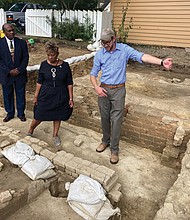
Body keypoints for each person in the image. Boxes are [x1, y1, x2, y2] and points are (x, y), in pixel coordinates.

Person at [90, 28, 172, 164]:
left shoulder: (124, 50)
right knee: (104, 117)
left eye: (107, 42)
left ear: (113, 38)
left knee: (116, 121)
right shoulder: (100, 54)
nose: (105, 45)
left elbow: (142, 56)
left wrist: (161, 62)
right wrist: (96, 87)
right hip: (103, 90)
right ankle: (105, 141)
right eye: (102, 42)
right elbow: (93, 74)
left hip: (119, 90)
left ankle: (114, 150)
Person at [27, 41, 74, 148]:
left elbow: (69, 83)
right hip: (46, 94)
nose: (50, 57)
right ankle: (30, 130)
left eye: (52, 55)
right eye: (48, 55)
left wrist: (71, 98)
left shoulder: (65, 66)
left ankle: (55, 135)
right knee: (39, 114)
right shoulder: (44, 65)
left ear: (57, 54)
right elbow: (39, 82)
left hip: (61, 95)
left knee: (58, 116)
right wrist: (35, 96)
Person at [0, 23, 29, 122]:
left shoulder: (21, 43)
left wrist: (19, 70)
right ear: (4, 32)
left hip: (19, 74)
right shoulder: (0, 43)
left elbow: (25, 58)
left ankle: (21, 113)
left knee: (20, 94)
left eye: (13, 30)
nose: (12, 32)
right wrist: (9, 71)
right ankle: (10, 113)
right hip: (6, 75)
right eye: (9, 31)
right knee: (7, 94)